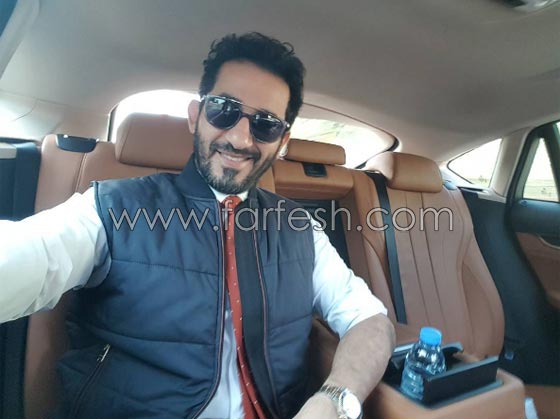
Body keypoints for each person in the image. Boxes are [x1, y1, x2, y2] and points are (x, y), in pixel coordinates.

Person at [0, 33, 395, 419]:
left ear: (283, 142)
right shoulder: (112, 208)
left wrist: (335, 399)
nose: (240, 138)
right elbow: (29, 255)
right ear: (195, 116)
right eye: (224, 109)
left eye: (265, 124)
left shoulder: (300, 229)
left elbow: (370, 321)